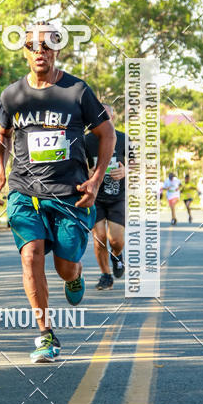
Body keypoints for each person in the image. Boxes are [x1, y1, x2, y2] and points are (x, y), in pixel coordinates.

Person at [0, 22, 115, 364]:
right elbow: (1, 135)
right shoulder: (12, 95)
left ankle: (75, 275)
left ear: (57, 50)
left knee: (65, 268)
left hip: (69, 195)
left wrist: (96, 179)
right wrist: (0, 172)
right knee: (30, 254)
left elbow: (108, 134)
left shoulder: (77, 91)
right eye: (32, 45)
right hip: (25, 190)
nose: (39, 51)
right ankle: (45, 334)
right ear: (25, 51)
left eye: (46, 46)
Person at [84, 103, 130, 289]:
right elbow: (78, 166)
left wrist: (126, 170)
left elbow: (138, 162)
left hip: (117, 196)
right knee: (100, 237)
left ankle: (117, 255)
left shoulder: (123, 138)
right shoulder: (86, 141)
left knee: (116, 240)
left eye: (107, 116)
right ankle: (105, 275)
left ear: (113, 118)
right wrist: (87, 172)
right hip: (95, 196)